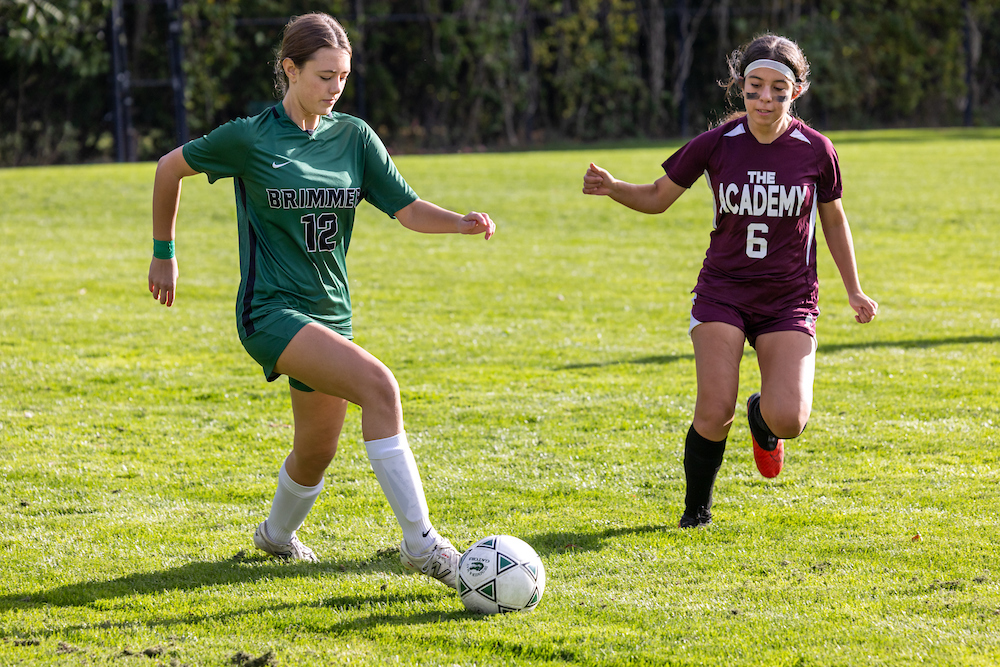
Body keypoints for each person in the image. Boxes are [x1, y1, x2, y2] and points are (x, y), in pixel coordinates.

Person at [147, 12, 495, 586]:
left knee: (314, 453)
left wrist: (459, 223)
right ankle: (422, 545)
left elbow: (406, 208)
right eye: (325, 75)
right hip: (270, 313)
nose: (336, 87)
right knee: (381, 387)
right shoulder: (249, 137)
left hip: (331, 313)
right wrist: (165, 252)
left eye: (344, 76)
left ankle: (275, 537)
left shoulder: (354, 137)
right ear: (290, 69)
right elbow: (168, 168)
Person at [582, 34, 877, 528]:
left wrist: (854, 288)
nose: (765, 99)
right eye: (755, 87)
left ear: (796, 91)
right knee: (715, 407)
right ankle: (696, 511)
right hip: (723, 292)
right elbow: (658, 196)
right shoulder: (718, 143)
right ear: (740, 87)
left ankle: (762, 418)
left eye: (778, 89)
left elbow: (833, 220)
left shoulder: (816, 150)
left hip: (788, 299)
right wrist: (613, 188)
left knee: (791, 420)